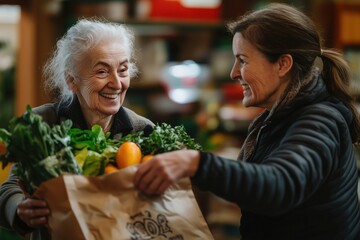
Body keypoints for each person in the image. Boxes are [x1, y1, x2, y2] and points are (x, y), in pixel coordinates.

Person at [134, 3, 360, 239]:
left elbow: (280, 185)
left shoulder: (320, 120)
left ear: (283, 64)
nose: (233, 72)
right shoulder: (280, 116)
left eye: (243, 60)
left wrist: (197, 163)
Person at [0, 19, 153, 240]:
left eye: (123, 70)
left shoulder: (143, 130)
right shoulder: (42, 123)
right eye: (102, 72)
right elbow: (11, 186)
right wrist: (20, 210)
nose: (117, 83)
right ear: (71, 80)